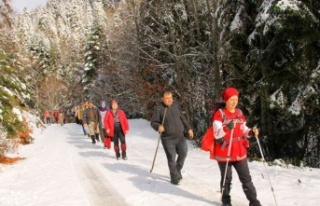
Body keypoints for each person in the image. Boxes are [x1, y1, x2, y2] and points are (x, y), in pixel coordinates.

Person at [211, 87, 261, 206]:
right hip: (225, 151)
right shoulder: (220, 114)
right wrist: (227, 127)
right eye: (231, 99)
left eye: (236, 99)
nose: (234, 102)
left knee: (246, 179)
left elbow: (244, 129)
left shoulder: (239, 113)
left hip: (239, 151)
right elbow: (216, 133)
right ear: (226, 100)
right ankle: (226, 201)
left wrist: (251, 132)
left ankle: (254, 202)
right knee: (227, 178)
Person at [150, 90, 194, 185]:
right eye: (167, 98)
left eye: (171, 98)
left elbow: (182, 118)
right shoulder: (159, 109)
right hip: (168, 138)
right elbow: (153, 122)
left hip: (180, 136)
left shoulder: (176, 106)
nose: (169, 100)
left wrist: (189, 128)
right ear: (162, 99)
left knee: (183, 154)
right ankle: (174, 177)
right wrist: (158, 126)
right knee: (171, 158)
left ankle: (177, 170)